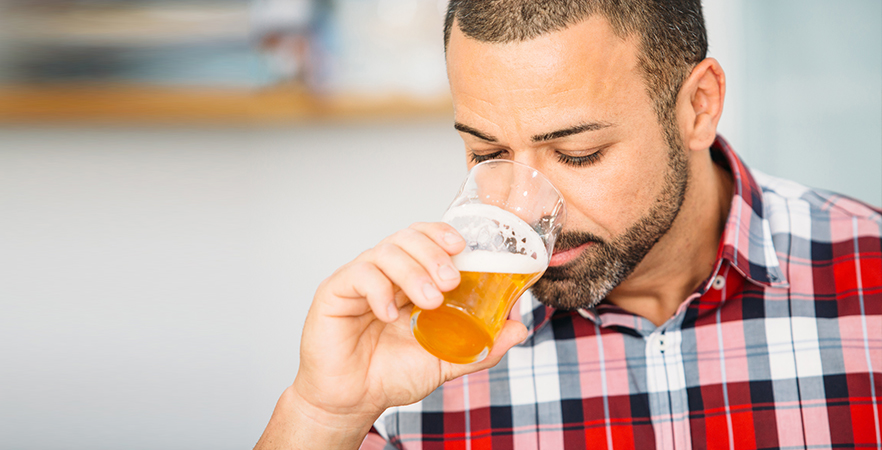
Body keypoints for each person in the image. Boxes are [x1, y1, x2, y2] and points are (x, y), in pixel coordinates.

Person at [255, 1, 882, 448]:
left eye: (579, 154)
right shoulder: (423, 347)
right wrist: (323, 412)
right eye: (487, 154)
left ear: (699, 106)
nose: (523, 211)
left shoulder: (869, 282)